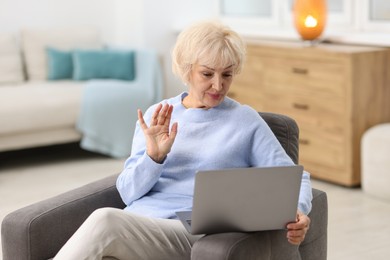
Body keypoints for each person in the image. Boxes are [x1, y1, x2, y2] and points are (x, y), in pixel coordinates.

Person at [54, 20, 312, 260]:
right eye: (207, 74)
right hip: (140, 223)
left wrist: (297, 210)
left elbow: (294, 177)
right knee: (107, 226)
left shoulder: (245, 120)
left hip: (191, 233)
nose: (218, 85)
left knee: (105, 221)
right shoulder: (158, 116)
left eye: (227, 75)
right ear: (187, 70)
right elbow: (127, 192)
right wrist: (154, 158)